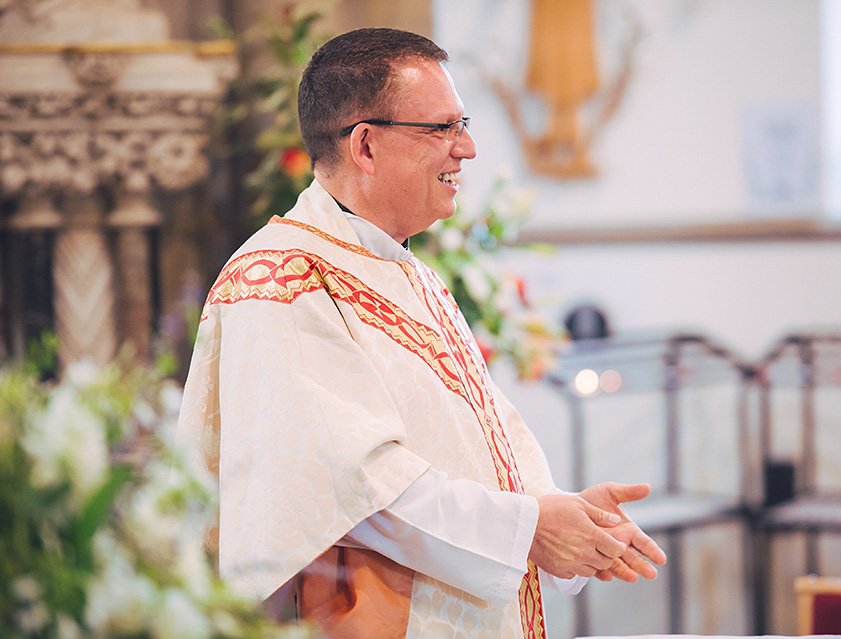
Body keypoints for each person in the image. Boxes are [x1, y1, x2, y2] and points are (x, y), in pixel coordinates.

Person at [176, 27, 666, 639]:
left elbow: (484, 436)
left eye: (462, 124)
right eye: (443, 129)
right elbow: (357, 486)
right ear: (365, 146)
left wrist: (564, 519)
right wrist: (529, 528)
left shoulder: (408, 273)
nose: (468, 149)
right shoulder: (282, 280)